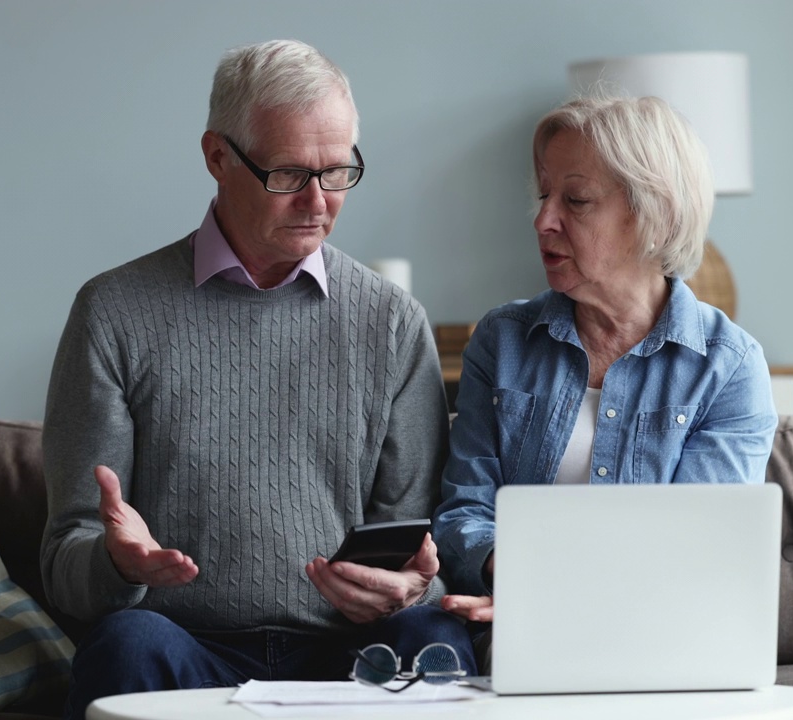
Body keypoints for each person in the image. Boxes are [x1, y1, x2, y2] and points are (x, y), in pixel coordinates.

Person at [41, 40, 473, 719]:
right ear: (217, 156)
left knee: (436, 637)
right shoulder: (113, 312)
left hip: (349, 655)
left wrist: (411, 587)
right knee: (125, 642)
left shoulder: (392, 322)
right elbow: (65, 561)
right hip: (184, 647)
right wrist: (118, 566)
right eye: (288, 174)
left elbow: (419, 549)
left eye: (337, 173)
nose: (316, 201)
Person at [432, 96, 780, 629]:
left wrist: (555, 597)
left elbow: (699, 548)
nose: (543, 219)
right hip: (511, 622)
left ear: (653, 216)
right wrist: (522, 583)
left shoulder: (728, 366)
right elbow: (464, 513)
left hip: (659, 630)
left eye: (575, 200)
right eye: (544, 195)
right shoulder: (501, 342)